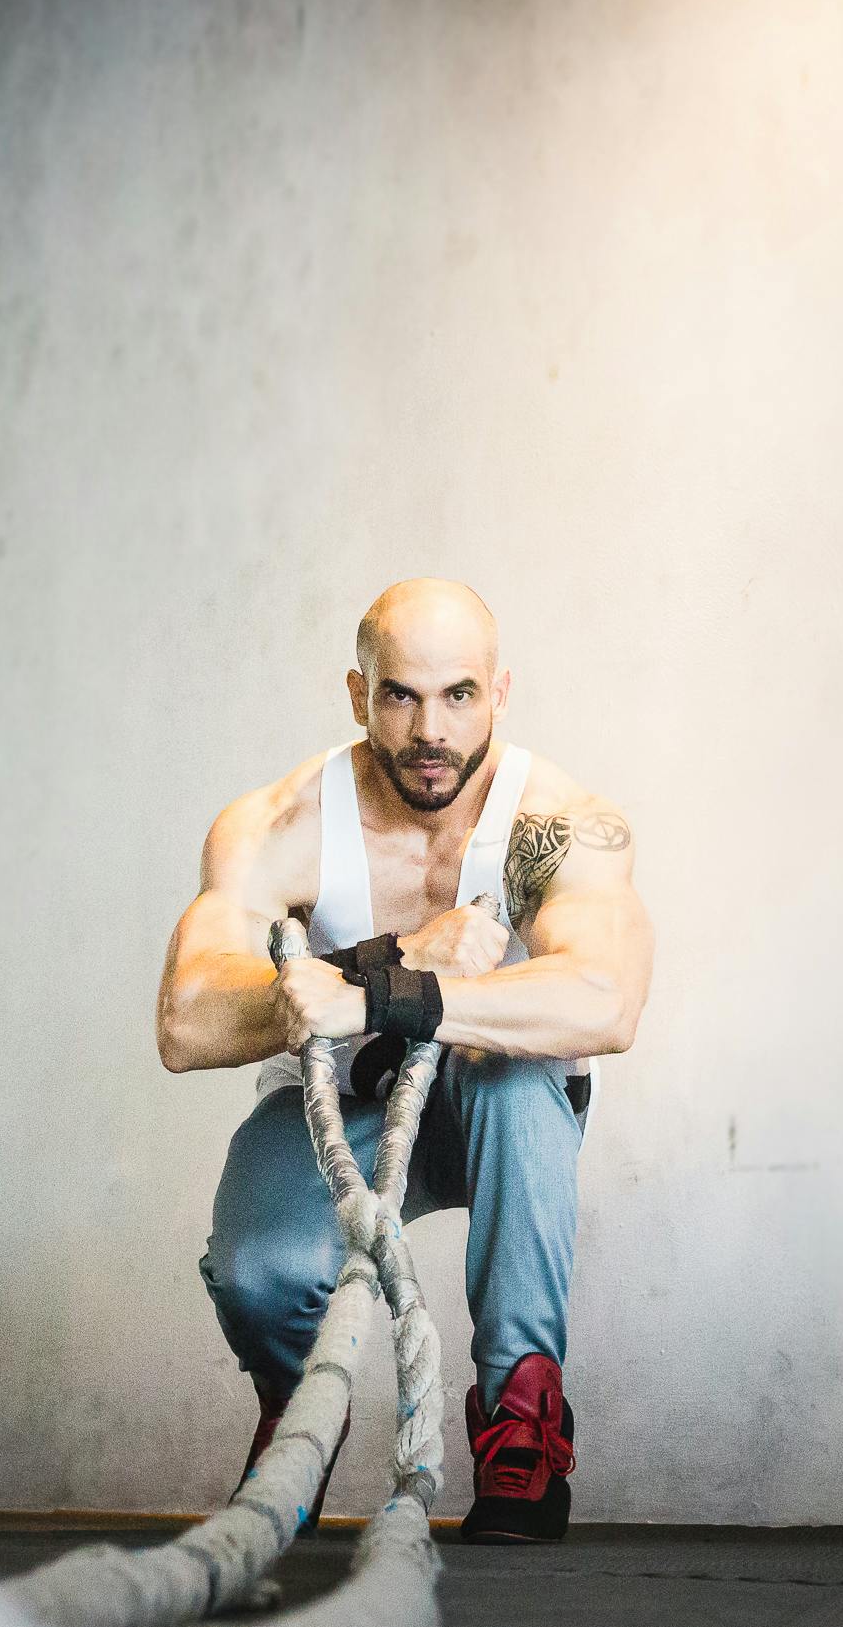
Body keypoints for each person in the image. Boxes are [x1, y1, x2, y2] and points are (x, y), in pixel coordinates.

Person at [156, 579, 654, 1544]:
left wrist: (390, 999)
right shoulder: (282, 822)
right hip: (341, 1108)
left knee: (514, 1074)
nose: (432, 729)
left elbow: (608, 1000)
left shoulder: (557, 823)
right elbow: (185, 1019)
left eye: (459, 694)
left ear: (500, 692)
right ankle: (301, 1412)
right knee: (260, 1270)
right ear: (358, 693)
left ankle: (522, 1415)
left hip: (495, 1118)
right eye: (401, 695)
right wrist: (379, 961)